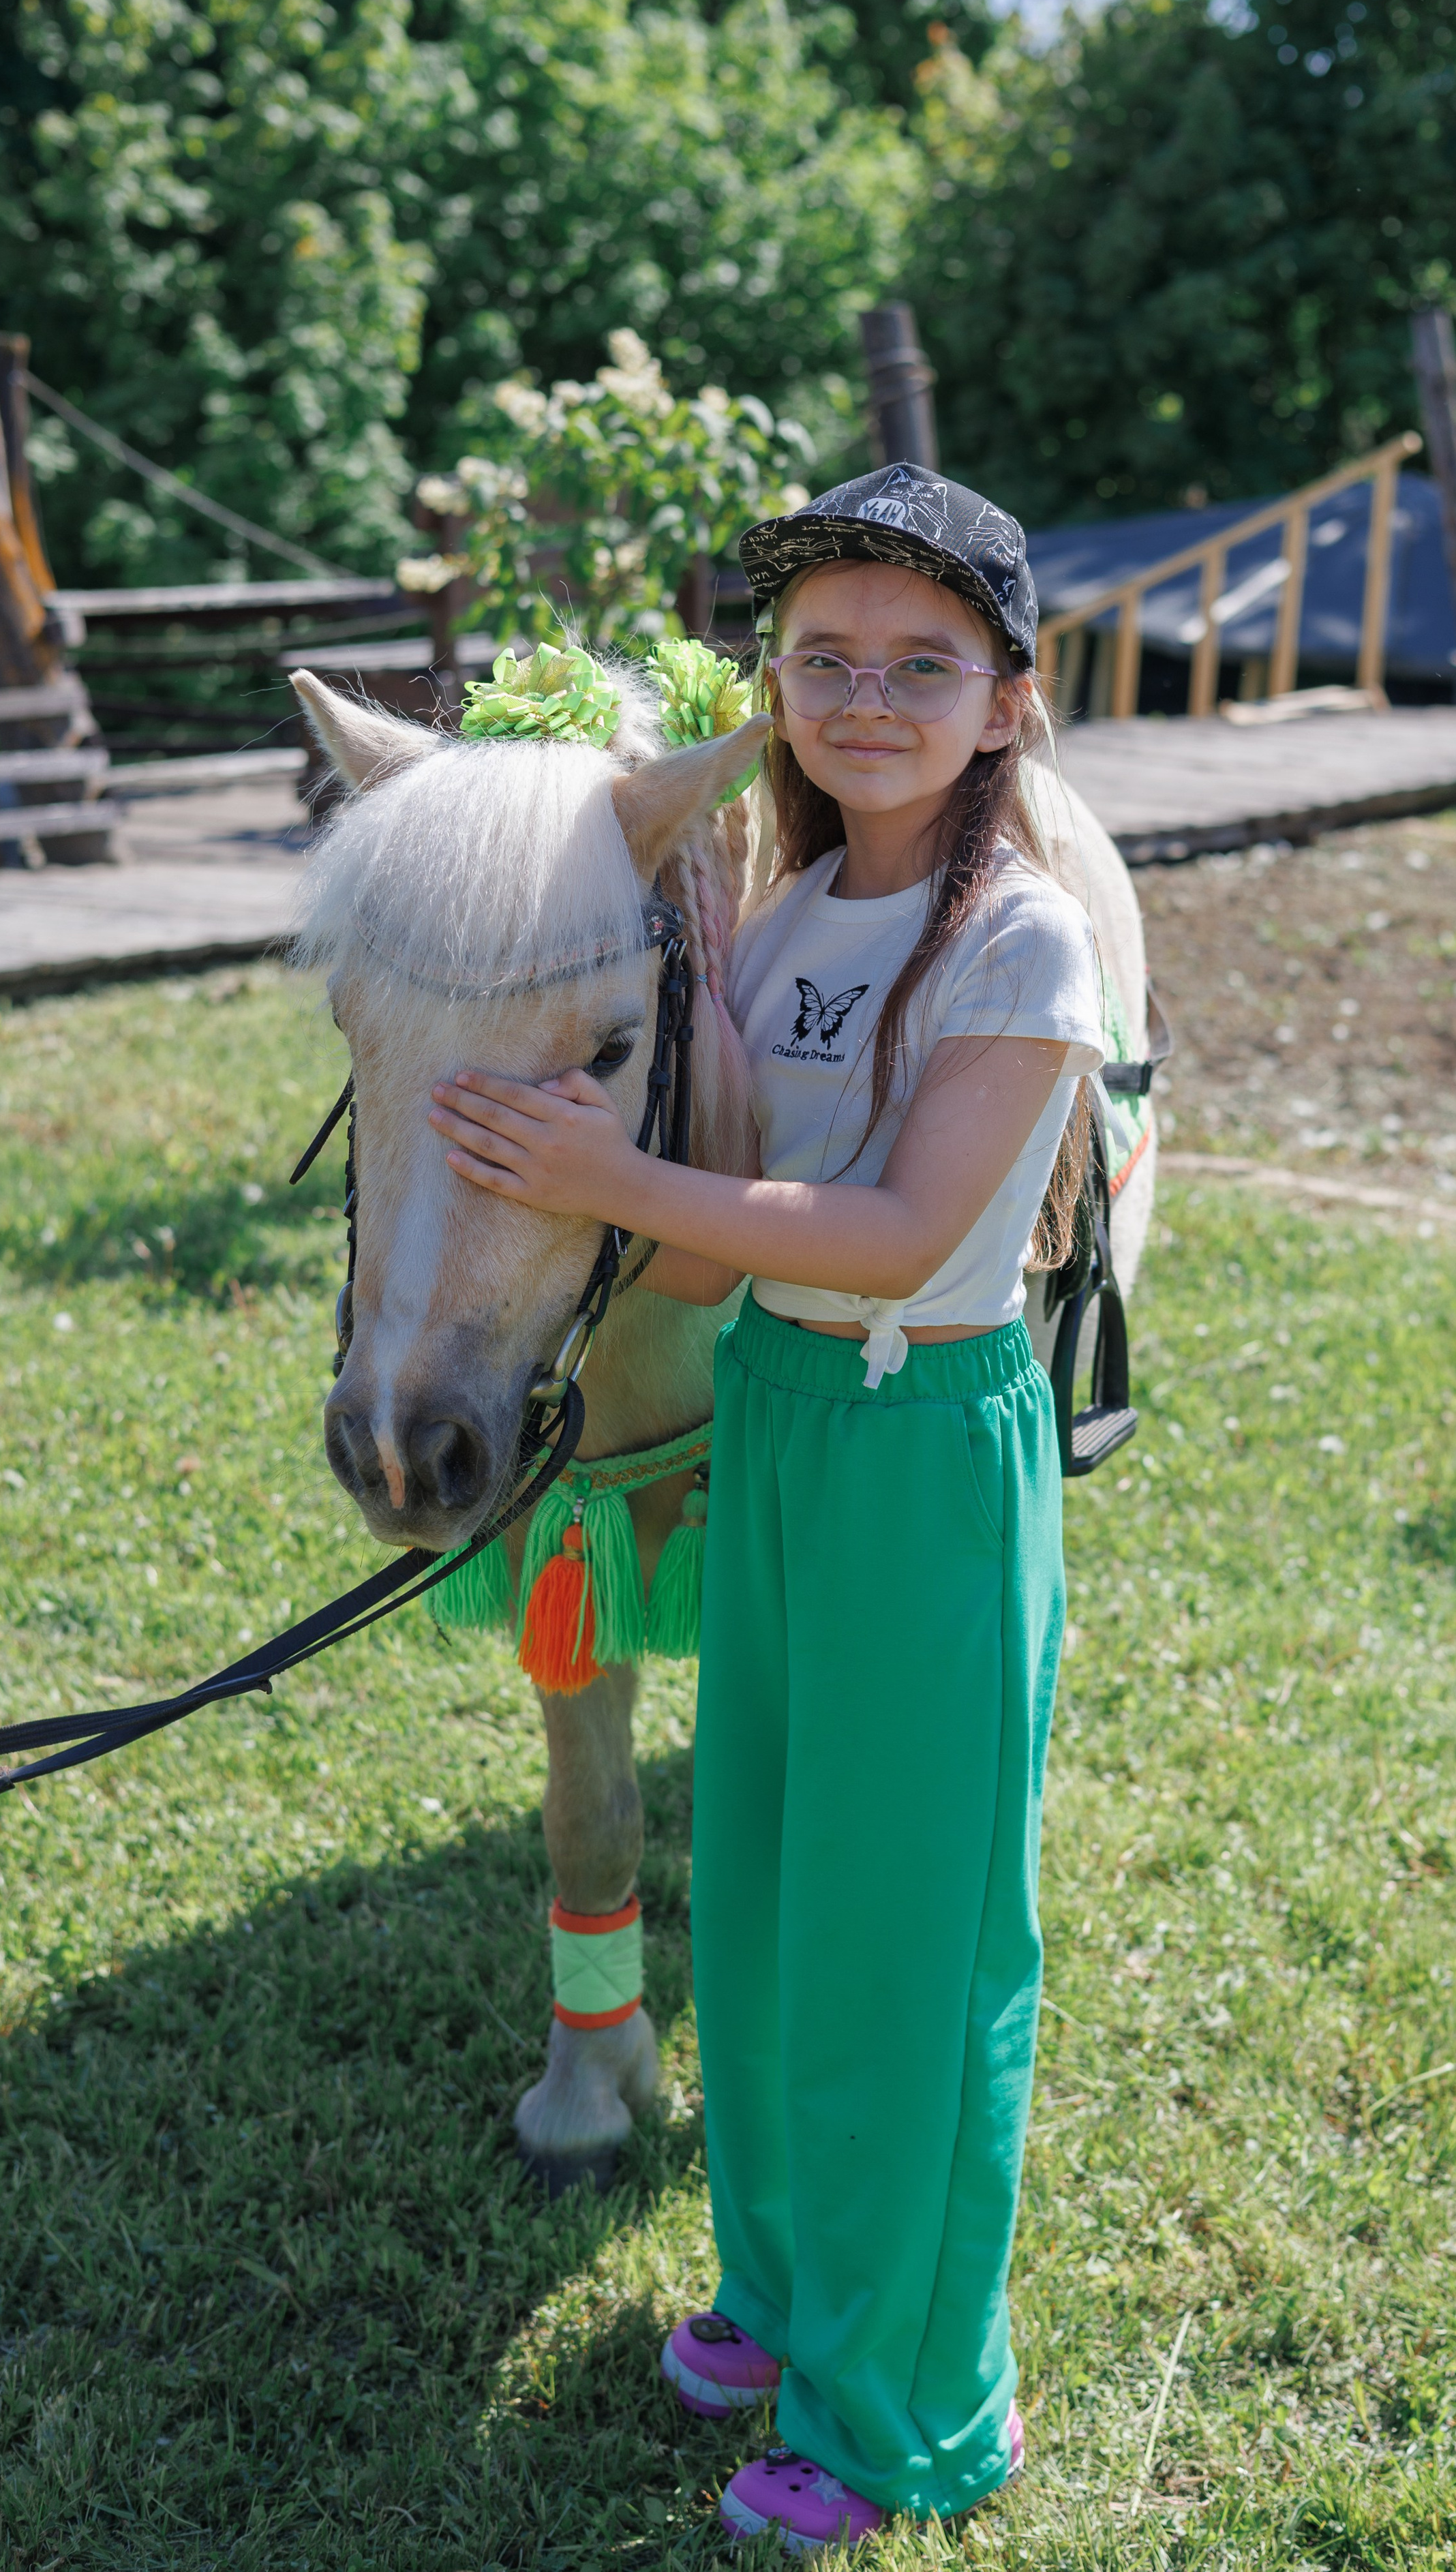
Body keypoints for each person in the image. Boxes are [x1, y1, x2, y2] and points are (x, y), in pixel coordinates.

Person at [427, 466, 1106, 2549]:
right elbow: (722, 1261)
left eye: (924, 661)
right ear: (777, 689)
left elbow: (902, 1233)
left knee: (910, 1945)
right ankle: (785, 2298)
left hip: (920, 1440)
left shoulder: (1021, 932)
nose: (869, 694)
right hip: (777, 1421)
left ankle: (905, 2411)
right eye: (825, 657)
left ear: (1007, 697)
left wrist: (603, 1180)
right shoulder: (800, 907)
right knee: (786, 1904)